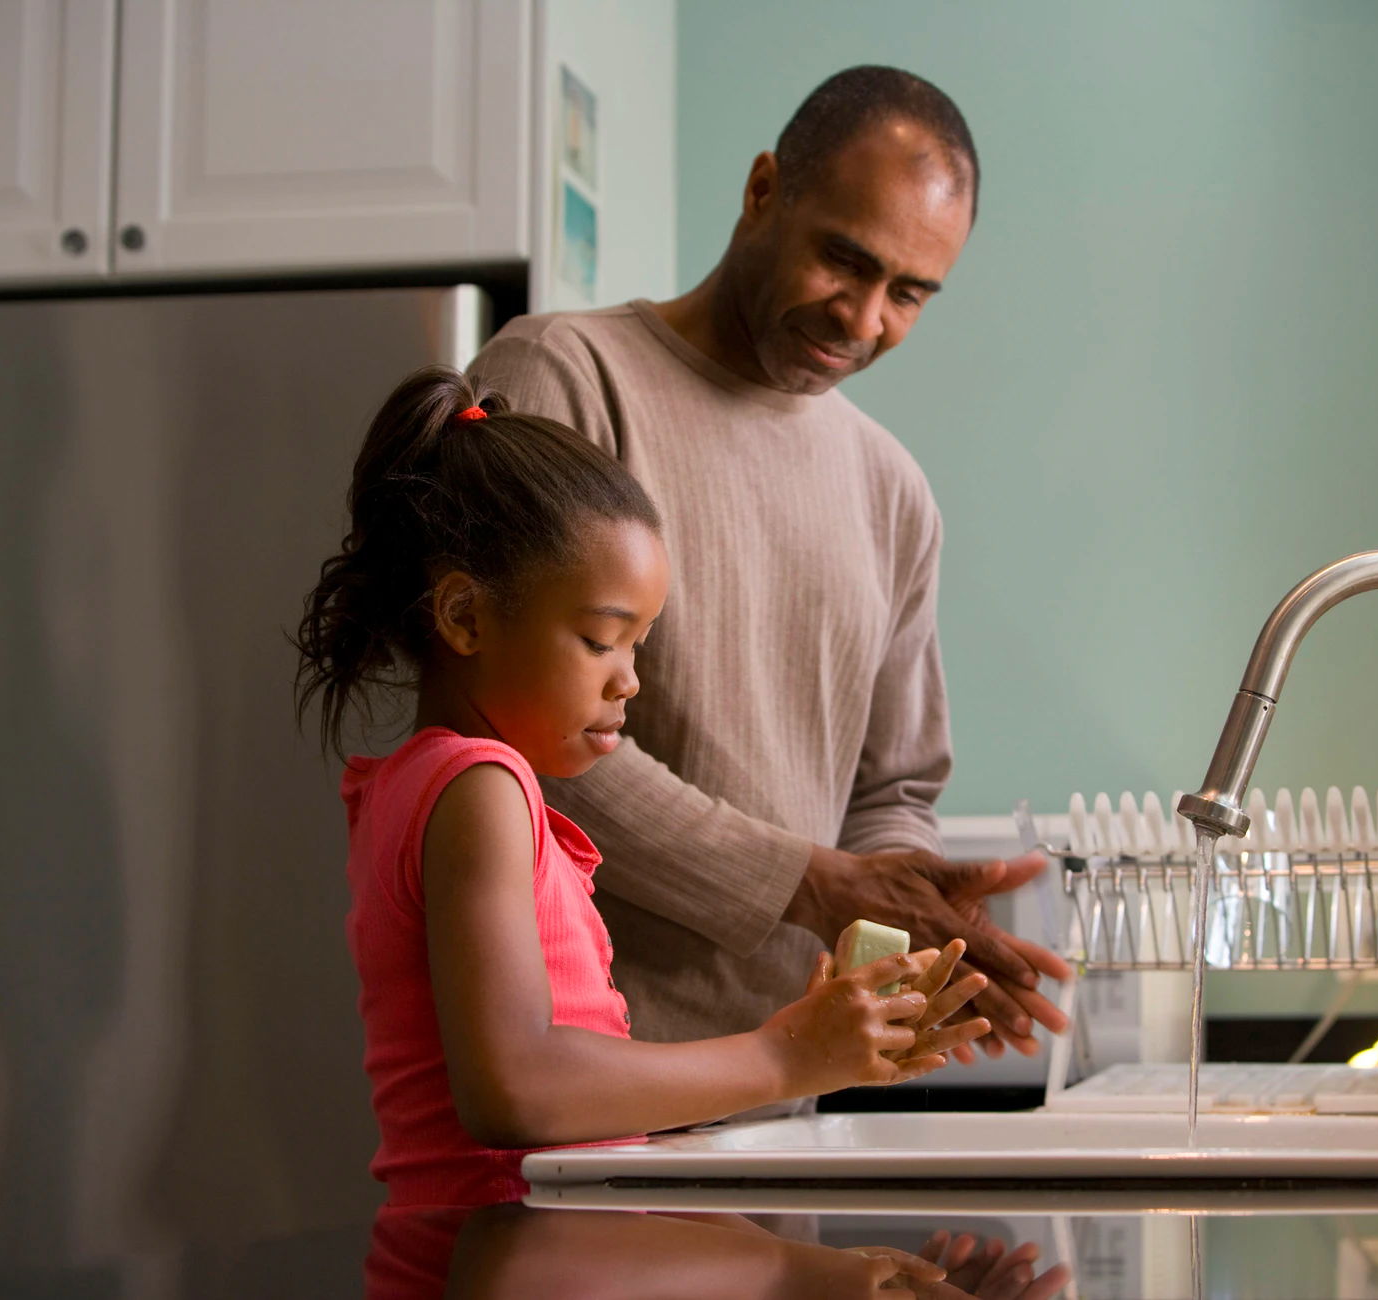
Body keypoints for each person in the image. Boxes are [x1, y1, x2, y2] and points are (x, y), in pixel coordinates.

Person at [469, 66, 1069, 1063]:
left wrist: (907, 908)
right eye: (845, 259)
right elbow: (514, 734)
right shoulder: (562, 379)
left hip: (780, 1088)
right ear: (762, 193)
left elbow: (891, 789)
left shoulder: (892, 491)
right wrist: (814, 883)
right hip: (571, 1078)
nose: (864, 318)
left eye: (910, 293)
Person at [294, 366, 989, 1207]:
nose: (630, 682)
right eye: (600, 640)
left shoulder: (425, 782)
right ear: (465, 618)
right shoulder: (481, 787)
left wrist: (809, 1047)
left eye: (640, 647)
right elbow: (518, 1087)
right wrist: (783, 1057)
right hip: (494, 1261)